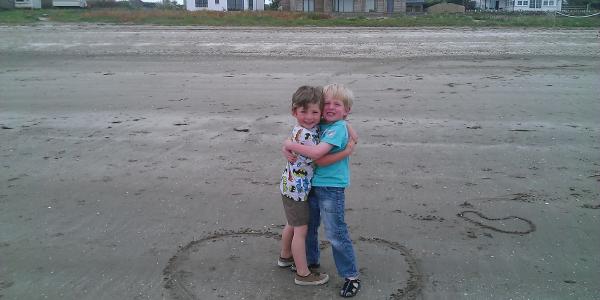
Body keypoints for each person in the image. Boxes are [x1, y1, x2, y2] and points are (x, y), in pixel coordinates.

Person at [283, 83, 361, 297]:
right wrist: (286, 144)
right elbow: (304, 134)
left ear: (346, 110)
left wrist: (289, 145)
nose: (331, 107)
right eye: (327, 103)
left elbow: (320, 157)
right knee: (310, 227)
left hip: (331, 187)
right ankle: (310, 262)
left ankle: (351, 276)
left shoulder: (336, 128)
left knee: (336, 232)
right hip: (313, 185)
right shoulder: (326, 123)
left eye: (338, 104)